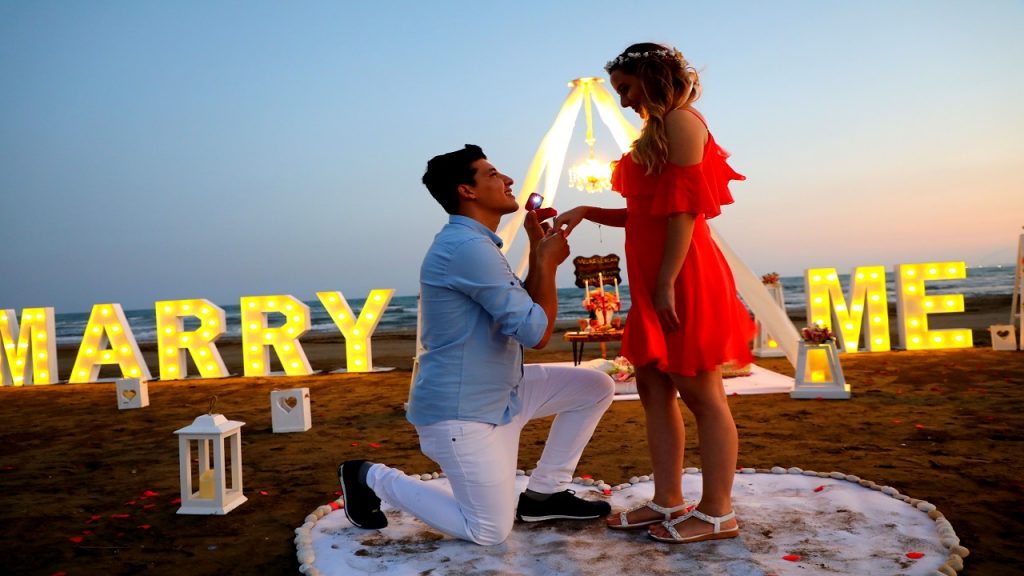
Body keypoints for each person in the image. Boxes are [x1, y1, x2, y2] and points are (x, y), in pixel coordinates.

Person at [339, 144, 615, 546]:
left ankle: (544, 495)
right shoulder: (466, 248)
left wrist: (538, 251)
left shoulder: (478, 245)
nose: (508, 180)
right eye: (493, 174)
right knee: (488, 530)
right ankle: (368, 475)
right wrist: (547, 263)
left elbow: (525, 310)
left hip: (502, 394)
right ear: (466, 191)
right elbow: (536, 334)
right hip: (461, 412)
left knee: (595, 386)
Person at [554, 43, 754, 544]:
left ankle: (718, 513)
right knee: (654, 390)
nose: (623, 100)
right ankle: (668, 499)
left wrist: (666, 281)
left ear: (650, 76)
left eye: (625, 88)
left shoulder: (683, 122)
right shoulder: (655, 131)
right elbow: (644, 212)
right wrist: (587, 211)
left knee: (703, 395)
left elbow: (684, 211)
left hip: (682, 275)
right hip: (653, 278)